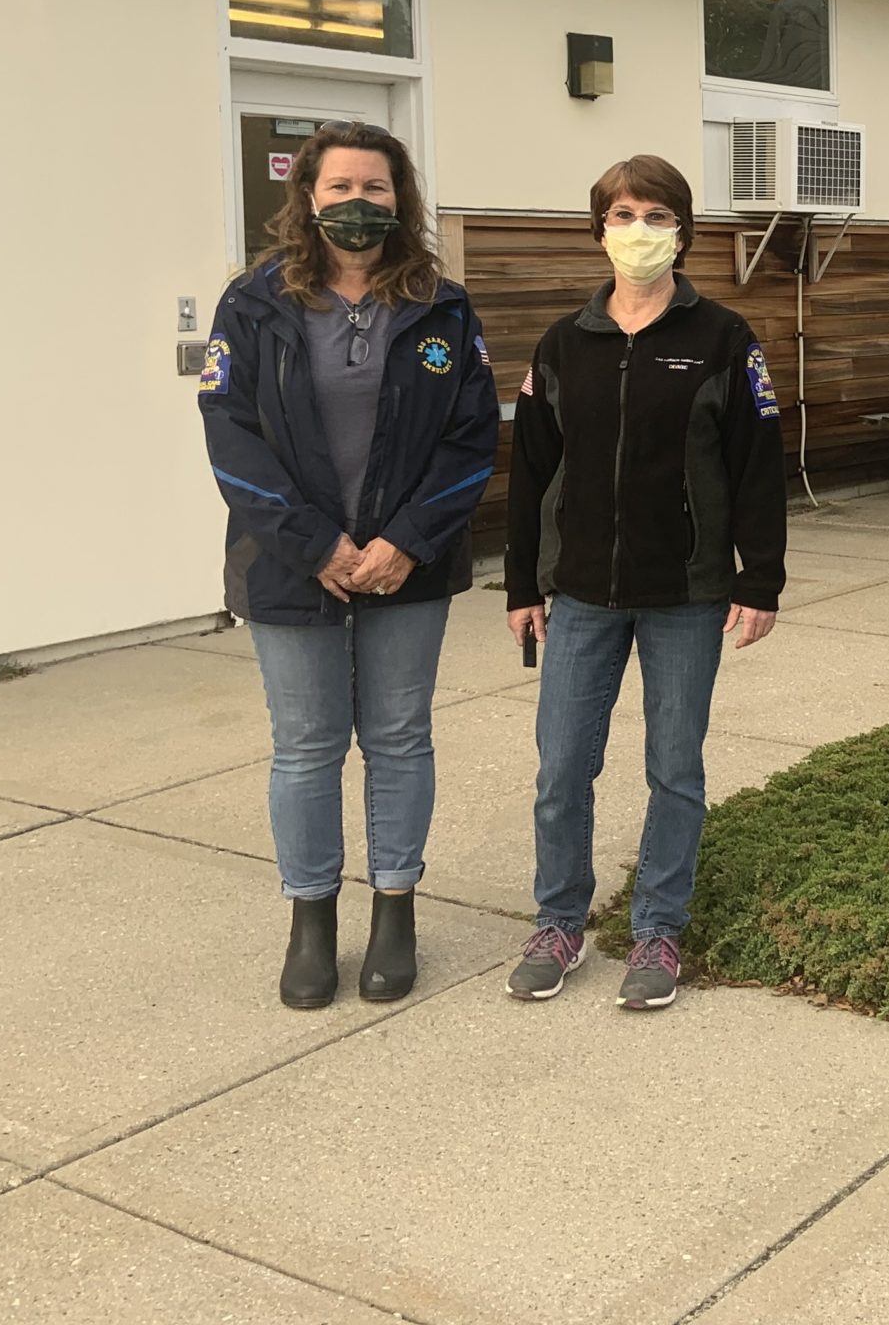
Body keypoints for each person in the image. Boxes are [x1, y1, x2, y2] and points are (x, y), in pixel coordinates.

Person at [198, 123, 499, 1010]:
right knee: (306, 748)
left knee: (400, 738)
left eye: (376, 187)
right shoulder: (253, 303)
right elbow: (229, 437)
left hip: (411, 562)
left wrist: (404, 540)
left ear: (401, 198)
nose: (358, 203)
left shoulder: (443, 305)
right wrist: (318, 545)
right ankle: (312, 920)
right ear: (308, 198)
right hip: (291, 564)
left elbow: (471, 439)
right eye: (340, 188)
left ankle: (396, 910)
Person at [503, 154, 787, 1010]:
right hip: (583, 593)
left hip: (686, 596)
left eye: (657, 216)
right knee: (562, 768)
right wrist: (523, 584)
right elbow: (530, 470)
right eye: (623, 214)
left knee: (674, 768)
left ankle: (659, 930)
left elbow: (757, 465)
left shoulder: (725, 340)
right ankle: (559, 921)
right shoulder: (563, 344)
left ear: (683, 232)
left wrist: (760, 577)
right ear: (599, 230)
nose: (639, 231)